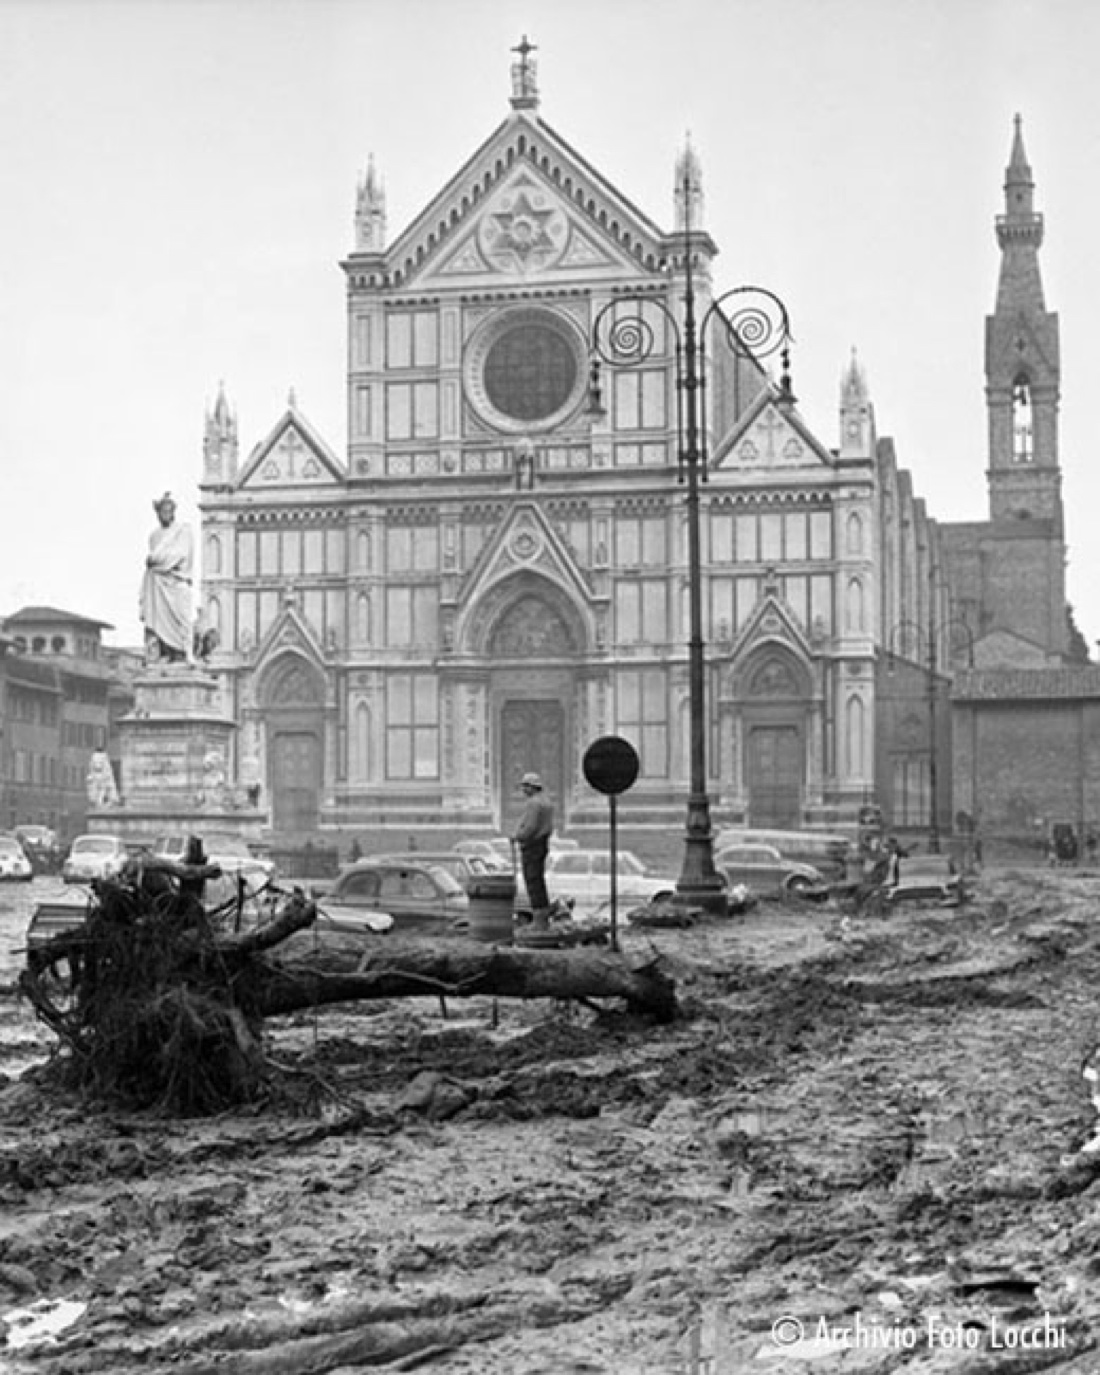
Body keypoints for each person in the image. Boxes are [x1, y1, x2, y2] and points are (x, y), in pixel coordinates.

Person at [140, 492, 194, 664]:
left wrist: (155, 560)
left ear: (173, 512)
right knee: (158, 620)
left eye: (168, 511)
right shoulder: (154, 536)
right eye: (162, 511)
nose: (165, 514)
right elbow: (155, 559)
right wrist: (155, 561)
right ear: (158, 513)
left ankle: (184, 653)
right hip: (157, 584)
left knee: (183, 619)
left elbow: (180, 555)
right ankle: (165, 653)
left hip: (177, 580)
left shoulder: (182, 531)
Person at [512, 772, 554, 925]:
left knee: (532, 880)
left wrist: (518, 836)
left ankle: (539, 916)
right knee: (538, 879)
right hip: (542, 844)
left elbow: (531, 826)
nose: (523, 790)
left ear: (531, 787)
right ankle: (543, 913)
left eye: (525, 786)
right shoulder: (546, 801)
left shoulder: (534, 803)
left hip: (533, 845)